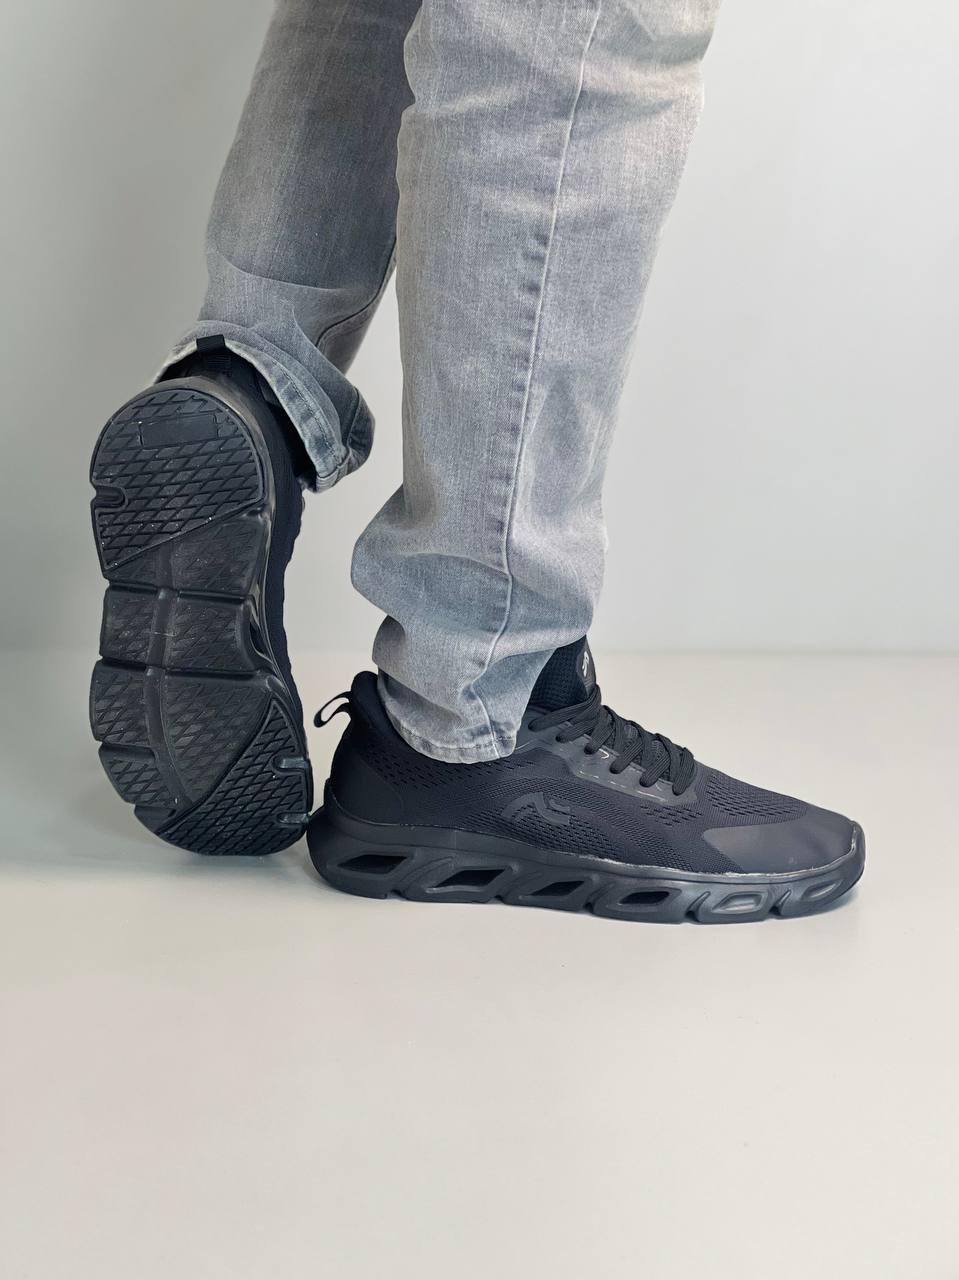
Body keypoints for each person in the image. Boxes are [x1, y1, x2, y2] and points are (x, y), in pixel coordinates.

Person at [89, 0, 864, 922]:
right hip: (464, 757)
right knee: (574, 31)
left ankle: (253, 380)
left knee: (379, 8)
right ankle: (476, 711)